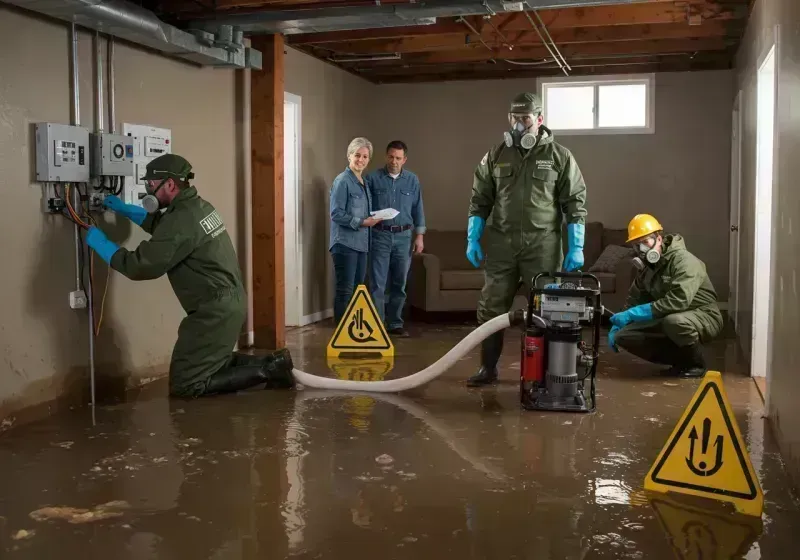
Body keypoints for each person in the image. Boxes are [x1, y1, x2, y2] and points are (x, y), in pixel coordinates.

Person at [84, 153, 294, 398]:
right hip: (228, 302)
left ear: (170, 184)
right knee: (211, 361)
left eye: (151, 185)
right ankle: (274, 363)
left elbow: (140, 266)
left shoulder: (181, 220)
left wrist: (101, 244)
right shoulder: (196, 206)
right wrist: (123, 209)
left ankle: (270, 370)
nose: (147, 192)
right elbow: (165, 228)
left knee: (187, 383)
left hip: (213, 310)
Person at [465, 92, 588, 387]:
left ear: (540, 119)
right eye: (515, 118)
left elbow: (574, 202)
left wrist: (577, 246)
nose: (520, 125)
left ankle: (544, 373)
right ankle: (488, 368)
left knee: (546, 309)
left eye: (526, 118)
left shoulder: (559, 156)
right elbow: (480, 200)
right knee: (491, 308)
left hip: (542, 246)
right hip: (502, 246)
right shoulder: (495, 155)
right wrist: (473, 237)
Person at [608, 214, 723, 378]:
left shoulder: (684, 261)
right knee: (624, 336)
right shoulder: (647, 269)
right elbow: (634, 298)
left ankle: (696, 364)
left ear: (659, 239)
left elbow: (679, 301)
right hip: (668, 316)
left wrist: (634, 314)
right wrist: (618, 323)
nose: (642, 250)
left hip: (703, 315)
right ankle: (680, 361)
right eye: (636, 245)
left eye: (645, 242)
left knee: (674, 322)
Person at [367, 140, 426, 337]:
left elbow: (418, 208)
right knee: (378, 283)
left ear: (404, 160)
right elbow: (365, 208)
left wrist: (419, 236)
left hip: (403, 236)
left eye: (398, 158)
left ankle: (394, 323)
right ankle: (377, 325)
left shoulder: (412, 180)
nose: (394, 161)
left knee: (399, 283)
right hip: (380, 235)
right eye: (391, 157)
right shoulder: (373, 179)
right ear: (386, 156)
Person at [329, 137, 383, 324]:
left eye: (365, 156)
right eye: (357, 155)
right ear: (349, 156)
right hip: (344, 244)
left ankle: (350, 332)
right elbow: (336, 214)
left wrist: (374, 218)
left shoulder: (364, 182)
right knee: (345, 290)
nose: (361, 160)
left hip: (361, 245)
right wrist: (362, 222)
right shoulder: (342, 181)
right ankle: (340, 332)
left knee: (357, 290)